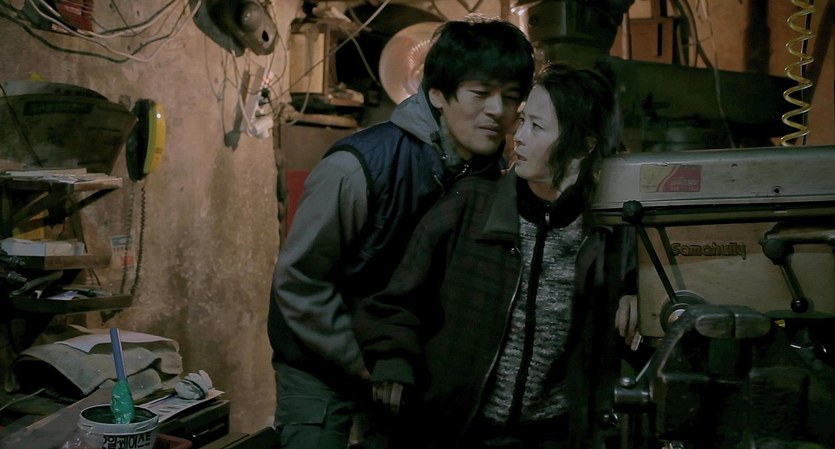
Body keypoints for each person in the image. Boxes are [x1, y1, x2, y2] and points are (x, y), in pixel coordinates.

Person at [268, 15, 535, 449]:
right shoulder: (359, 168)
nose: (497, 111)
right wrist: (366, 363)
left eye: (510, 97)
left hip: (407, 369)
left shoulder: (493, 178)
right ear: (437, 94)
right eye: (480, 93)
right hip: (321, 355)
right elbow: (301, 280)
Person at [353, 62, 636, 449]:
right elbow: (396, 299)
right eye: (523, 121)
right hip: (458, 430)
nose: (518, 136)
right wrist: (392, 360)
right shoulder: (470, 205)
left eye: (537, 127)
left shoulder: (607, 232)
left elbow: (645, 305)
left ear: (584, 146)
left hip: (552, 436)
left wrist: (637, 295)